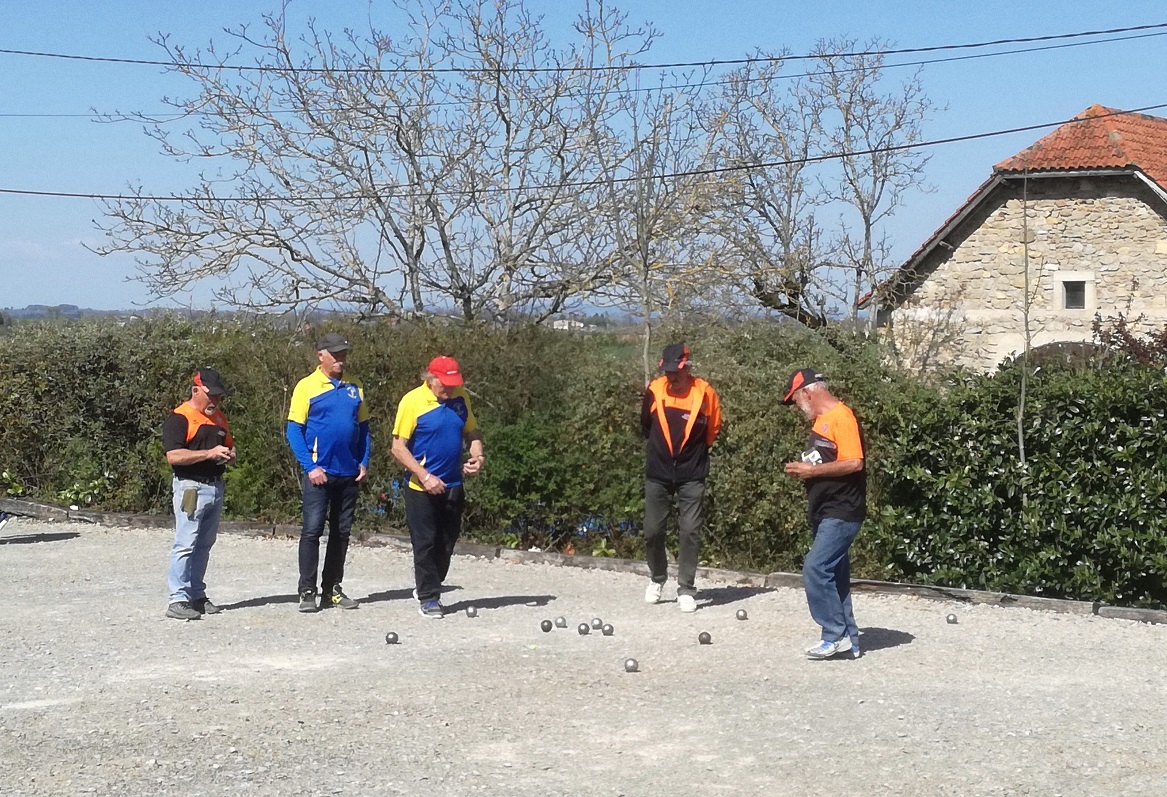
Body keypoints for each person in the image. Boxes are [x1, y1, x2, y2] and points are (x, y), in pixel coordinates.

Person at [782, 368, 866, 660]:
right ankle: (850, 641)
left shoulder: (842, 417)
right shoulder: (822, 421)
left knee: (815, 569)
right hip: (825, 510)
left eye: (794, 400)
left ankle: (833, 634)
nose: (796, 407)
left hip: (842, 511)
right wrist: (807, 471)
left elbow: (854, 462)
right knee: (835, 576)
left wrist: (812, 471)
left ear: (807, 391)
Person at [391, 356, 484, 619]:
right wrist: (423, 475)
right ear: (430, 379)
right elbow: (398, 447)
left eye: (454, 383)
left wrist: (478, 455)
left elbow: (472, 433)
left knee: (447, 541)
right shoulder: (412, 401)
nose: (450, 389)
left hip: (454, 483)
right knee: (426, 543)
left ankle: (428, 583)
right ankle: (429, 597)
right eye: (445, 384)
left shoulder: (461, 398)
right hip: (421, 487)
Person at [286, 332, 371, 613]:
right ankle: (307, 590)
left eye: (344, 354)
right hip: (319, 473)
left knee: (341, 533)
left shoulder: (354, 387)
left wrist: (364, 461)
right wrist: (310, 467)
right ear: (321, 355)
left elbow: (364, 429)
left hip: (348, 473)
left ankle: (332, 588)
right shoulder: (307, 386)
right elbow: (294, 430)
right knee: (312, 531)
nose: (341, 359)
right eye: (335, 354)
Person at [641, 343, 722, 613]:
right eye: (666, 371)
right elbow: (645, 426)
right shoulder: (654, 390)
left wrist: (691, 456)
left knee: (690, 530)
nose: (670, 377)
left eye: (675, 371)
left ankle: (686, 587)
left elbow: (712, 431)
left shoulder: (706, 393)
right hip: (658, 471)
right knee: (652, 530)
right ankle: (657, 577)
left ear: (687, 367)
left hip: (692, 473)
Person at [162, 368, 236, 621]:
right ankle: (178, 598)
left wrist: (230, 454)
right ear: (196, 390)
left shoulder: (218, 418)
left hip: (215, 485)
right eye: (211, 395)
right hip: (190, 487)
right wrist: (208, 454)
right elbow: (173, 455)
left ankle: (196, 594)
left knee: (204, 544)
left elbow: (227, 445)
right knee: (185, 543)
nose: (216, 400)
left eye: (219, 396)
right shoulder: (180, 418)